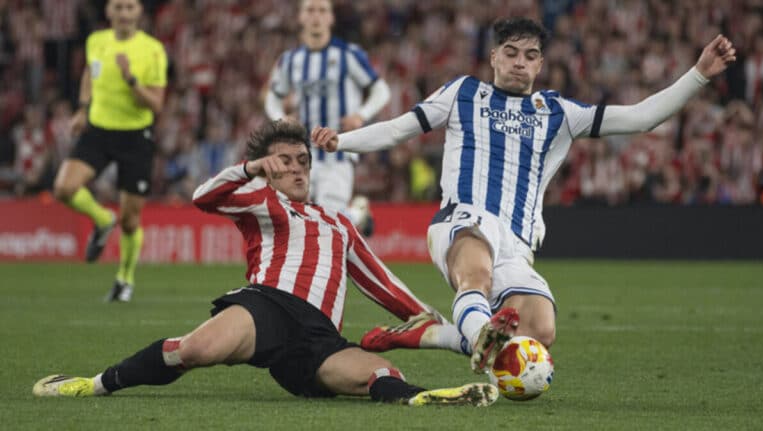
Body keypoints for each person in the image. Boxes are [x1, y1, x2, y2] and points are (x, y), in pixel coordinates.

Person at [311, 18, 736, 373]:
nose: (520, 62)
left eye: (530, 56)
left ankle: (436, 333)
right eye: (511, 52)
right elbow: (398, 128)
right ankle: (480, 337)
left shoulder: (559, 113)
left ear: (541, 65)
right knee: (474, 274)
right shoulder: (463, 93)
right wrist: (341, 141)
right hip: (463, 219)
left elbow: (642, 118)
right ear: (494, 57)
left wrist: (698, 73)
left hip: (516, 243)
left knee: (540, 329)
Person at [32, 121, 498, 407]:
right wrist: (251, 168)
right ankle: (92, 385)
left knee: (377, 375)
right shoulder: (260, 201)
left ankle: (429, 399)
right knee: (194, 351)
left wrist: (441, 327)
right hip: (267, 308)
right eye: (285, 161)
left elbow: (383, 284)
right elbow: (202, 198)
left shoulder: (339, 223)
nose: (296, 169)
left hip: (319, 338)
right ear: (268, 166)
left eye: (302, 161)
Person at [51, 0, 167, 302]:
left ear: (139, 12)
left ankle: (124, 280)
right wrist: (82, 109)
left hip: (135, 136)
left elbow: (156, 105)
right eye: (119, 7)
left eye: (130, 7)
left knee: (130, 220)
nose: (124, 13)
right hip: (99, 131)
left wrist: (131, 80)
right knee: (64, 187)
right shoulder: (96, 41)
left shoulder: (152, 49)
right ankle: (103, 220)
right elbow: (90, 73)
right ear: (109, 12)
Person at [264, 0, 391, 235]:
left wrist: (360, 116)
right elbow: (272, 98)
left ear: (331, 18)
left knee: (327, 222)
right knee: (305, 218)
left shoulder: (348, 55)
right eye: (310, 10)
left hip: (338, 152)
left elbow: (381, 91)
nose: (316, 16)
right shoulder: (290, 60)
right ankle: (356, 215)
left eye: (322, 11)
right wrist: (280, 119)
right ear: (301, 17)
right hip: (302, 154)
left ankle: (348, 220)